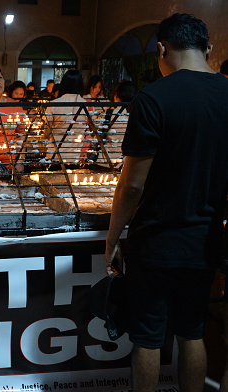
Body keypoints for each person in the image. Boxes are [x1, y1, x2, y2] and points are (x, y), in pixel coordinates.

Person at [104, 13, 228, 392]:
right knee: (192, 332)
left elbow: (132, 186)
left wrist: (111, 240)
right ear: (206, 48)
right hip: (206, 238)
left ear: (161, 49)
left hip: (156, 240)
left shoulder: (154, 98)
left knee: (148, 337)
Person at [44, 70, 88, 165]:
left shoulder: (54, 104)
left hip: (55, 155)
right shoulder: (86, 105)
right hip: (76, 156)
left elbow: (46, 133)